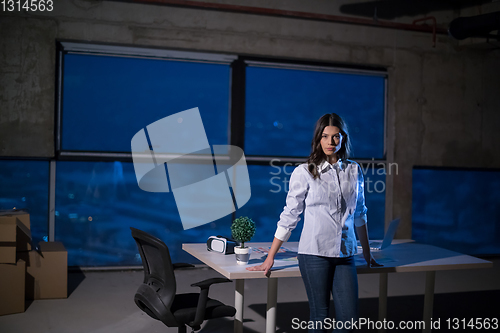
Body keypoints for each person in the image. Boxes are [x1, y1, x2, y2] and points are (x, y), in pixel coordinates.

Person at [247, 113, 381, 333]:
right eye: (325, 136)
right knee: (319, 316)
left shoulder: (354, 170)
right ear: (318, 138)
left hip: (345, 254)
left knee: (349, 320)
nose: (330, 142)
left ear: (343, 138)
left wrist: (366, 253)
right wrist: (269, 257)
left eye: (336, 137)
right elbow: (290, 216)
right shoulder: (304, 172)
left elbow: (359, 213)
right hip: (314, 253)